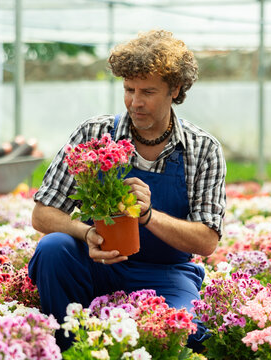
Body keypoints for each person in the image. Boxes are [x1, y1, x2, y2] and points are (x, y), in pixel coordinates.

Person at [28, 29, 227, 352]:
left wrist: (147, 215)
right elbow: (43, 213)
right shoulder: (94, 133)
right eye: (129, 89)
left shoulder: (201, 149)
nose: (135, 102)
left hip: (165, 272)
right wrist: (86, 233)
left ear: (174, 89)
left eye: (147, 91)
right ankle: (68, 350)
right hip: (99, 265)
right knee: (53, 248)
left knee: (183, 334)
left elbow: (206, 240)